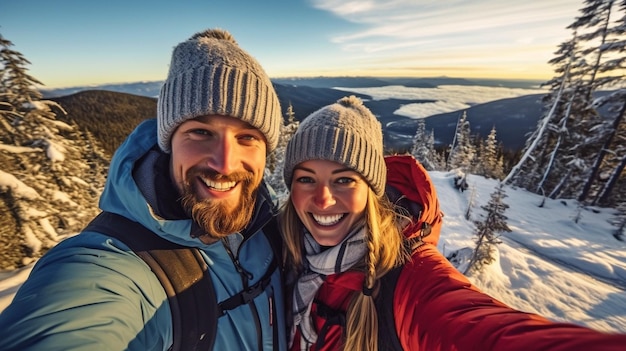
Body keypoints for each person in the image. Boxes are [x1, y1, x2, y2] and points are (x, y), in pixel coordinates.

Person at [0, 28, 287, 350]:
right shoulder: (114, 264)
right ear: (170, 144)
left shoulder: (275, 225)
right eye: (200, 132)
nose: (224, 163)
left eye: (247, 137)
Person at [279, 95, 626, 351]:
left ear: (373, 190)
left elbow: (479, 330)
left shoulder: (409, 274)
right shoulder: (279, 251)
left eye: (344, 180)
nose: (323, 199)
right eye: (306, 179)